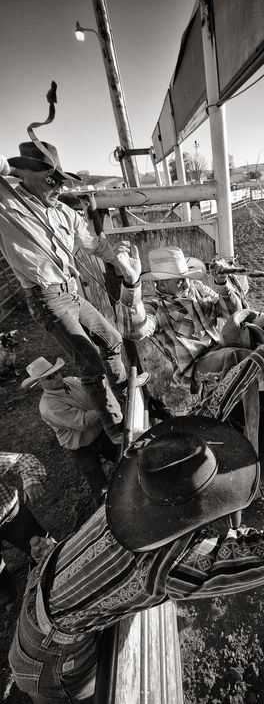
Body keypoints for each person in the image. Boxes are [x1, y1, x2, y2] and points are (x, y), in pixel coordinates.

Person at [9, 317, 264, 703]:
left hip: (44, 602)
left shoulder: (134, 486)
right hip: (51, 660)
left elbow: (212, 406)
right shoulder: (170, 564)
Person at [0, 141, 132, 442]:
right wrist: (11, 168)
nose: (60, 186)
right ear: (27, 175)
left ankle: (125, 393)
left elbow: (96, 245)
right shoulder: (6, 201)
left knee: (111, 339)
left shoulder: (63, 212)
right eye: (53, 179)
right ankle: (115, 430)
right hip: (46, 296)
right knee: (90, 362)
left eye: (61, 180)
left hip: (71, 293)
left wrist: (120, 262)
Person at [115, 245, 252, 395]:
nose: (187, 283)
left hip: (221, 347)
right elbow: (134, 331)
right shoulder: (155, 306)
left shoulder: (197, 288)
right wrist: (131, 284)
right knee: (237, 357)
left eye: (186, 277)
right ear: (162, 284)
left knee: (254, 335)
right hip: (196, 366)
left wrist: (222, 283)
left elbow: (234, 315)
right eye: (179, 281)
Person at [22, 356, 118, 505]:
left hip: (100, 432)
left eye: (57, 372)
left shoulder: (72, 380)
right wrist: (108, 405)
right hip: (81, 446)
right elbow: (83, 422)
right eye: (50, 377)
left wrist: (104, 402)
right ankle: (106, 510)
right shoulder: (49, 407)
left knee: (122, 456)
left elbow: (94, 391)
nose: (57, 377)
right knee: (98, 485)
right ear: (40, 384)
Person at [0, 451, 47, 611]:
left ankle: (60, 572)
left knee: (46, 551)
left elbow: (21, 459)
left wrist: (31, 480)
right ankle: (7, 597)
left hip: (13, 517)